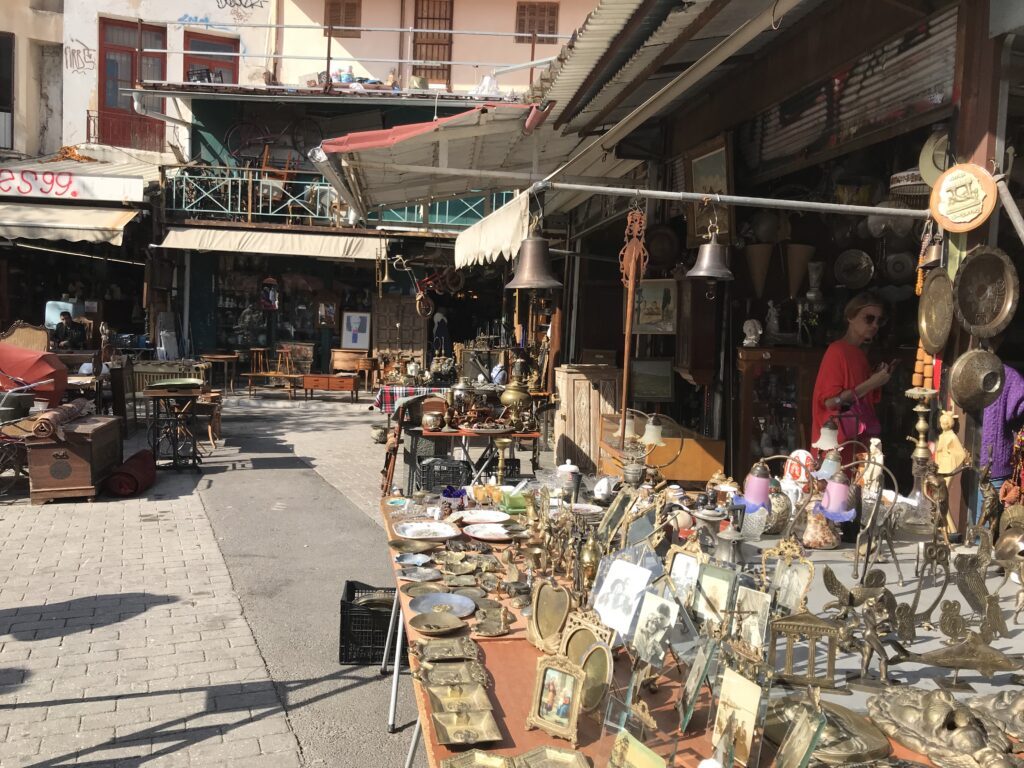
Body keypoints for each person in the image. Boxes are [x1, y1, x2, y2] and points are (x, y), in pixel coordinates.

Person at [811, 292, 892, 460]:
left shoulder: (859, 354)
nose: (875, 325)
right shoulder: (837, 351)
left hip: (855, 443)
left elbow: (865, 400)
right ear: (850, 317)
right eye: (869, 318)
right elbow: (830, 402)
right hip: (835, 448)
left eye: (879, 321)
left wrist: (875, 379)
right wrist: (871, 383)